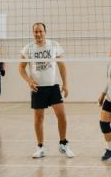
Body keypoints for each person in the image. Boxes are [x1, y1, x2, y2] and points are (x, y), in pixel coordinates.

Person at [18, 22, 72, 159]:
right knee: (38, 118)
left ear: (45, 32)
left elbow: (62, 66)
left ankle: (63, 144)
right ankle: (40, 147)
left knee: (62, 115)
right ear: (33, 33)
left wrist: (65, 84)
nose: (38, 34)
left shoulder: (53, 45)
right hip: (38, 88)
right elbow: (21, 68)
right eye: (35, 32)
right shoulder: (28, 48)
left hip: (53, 86)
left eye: (40, 31)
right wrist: (29, 81)